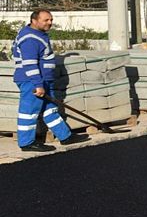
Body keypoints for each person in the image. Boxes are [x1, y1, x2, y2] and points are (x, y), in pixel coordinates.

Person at [12, 10, 90, 151]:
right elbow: (30, 64)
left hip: (43, 80)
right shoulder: (30, 38)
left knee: (50, 109)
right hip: (32, 81)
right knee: (29, 112)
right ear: (34, 21)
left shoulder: (38, 34)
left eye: (51, 20)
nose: (50, 23)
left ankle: (65, 136)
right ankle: (26, 143)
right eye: (46, 20)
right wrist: (38, 84)